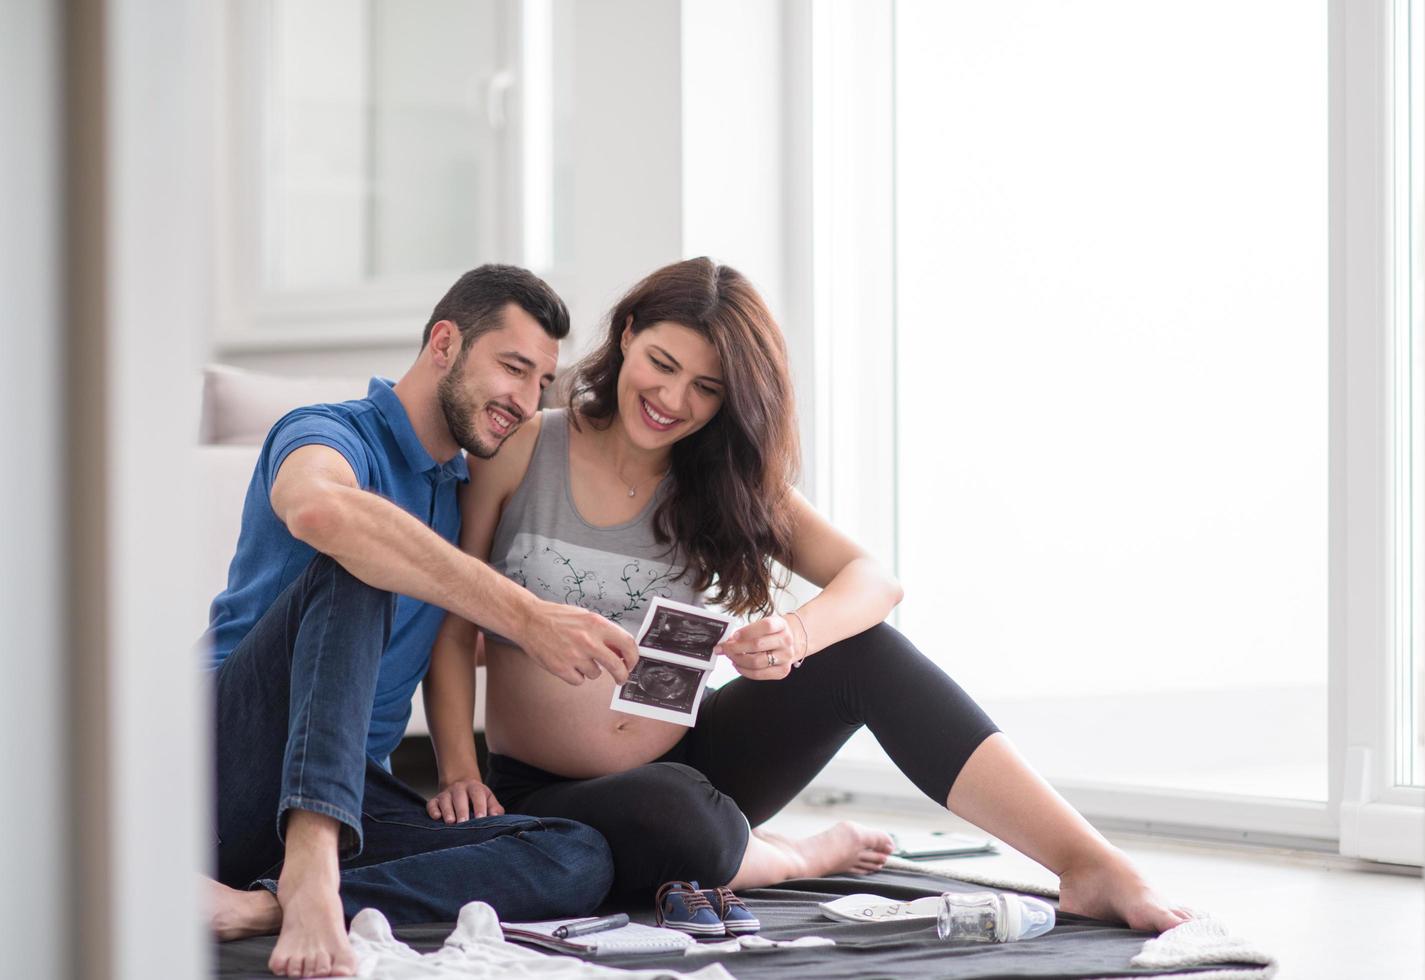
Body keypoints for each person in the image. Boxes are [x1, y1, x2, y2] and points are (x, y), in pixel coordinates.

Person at [422, 257, 1191, 933]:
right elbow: (454, 620)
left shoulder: (718, 485)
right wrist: (459, 768)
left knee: (864, 652)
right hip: (555, 792)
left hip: (696, 761)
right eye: (661, 362)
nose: (671, 399)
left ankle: (1087, 862)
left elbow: (874, 580)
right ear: (626, 335)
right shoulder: (525, 448)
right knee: (679, 815)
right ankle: (790, 858)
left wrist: (794, 633)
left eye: (705, 388)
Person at [203, 265, 638, 979]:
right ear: (444, 343)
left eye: (541, 385)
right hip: (220, 761)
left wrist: (457, 768)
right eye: (513, 369)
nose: (527, 403)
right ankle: (309, 868)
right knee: (359, 553)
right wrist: (527, 617)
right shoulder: (327, 431)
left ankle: (262, 903)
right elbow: (319, 508)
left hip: (352, 793)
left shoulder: (458, 495)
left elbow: (449, 637)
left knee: (576, 856)